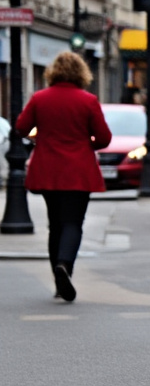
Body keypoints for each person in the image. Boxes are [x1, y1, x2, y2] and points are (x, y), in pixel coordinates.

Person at [14, 51, 113, 302]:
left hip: (48, 168)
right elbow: (104, 138)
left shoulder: (40, 98)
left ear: (53, 72)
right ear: (82, 73)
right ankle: (64, 266)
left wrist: (41, 138)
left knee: (54, 225)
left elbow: (21, 127)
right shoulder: (88, 100)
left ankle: (58, 282)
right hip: (78, 170)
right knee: (73, 223)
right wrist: (84, 141)